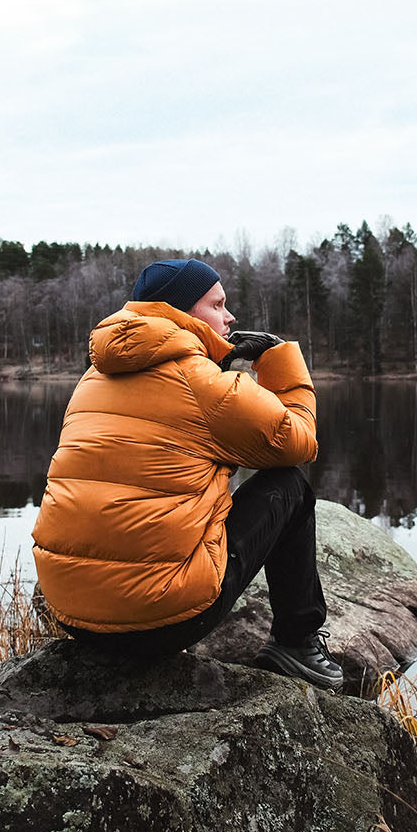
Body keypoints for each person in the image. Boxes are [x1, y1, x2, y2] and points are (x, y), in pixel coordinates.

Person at [31, 257, 342, 691]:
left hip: (72, 616)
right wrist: (277, 359)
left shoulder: (92, 377)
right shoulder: (204, 384)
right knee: (288, 485)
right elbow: (301, 442)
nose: (230, 316)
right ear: (180, 313)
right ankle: (296, 641)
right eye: (218, 304)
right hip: (160, 623)